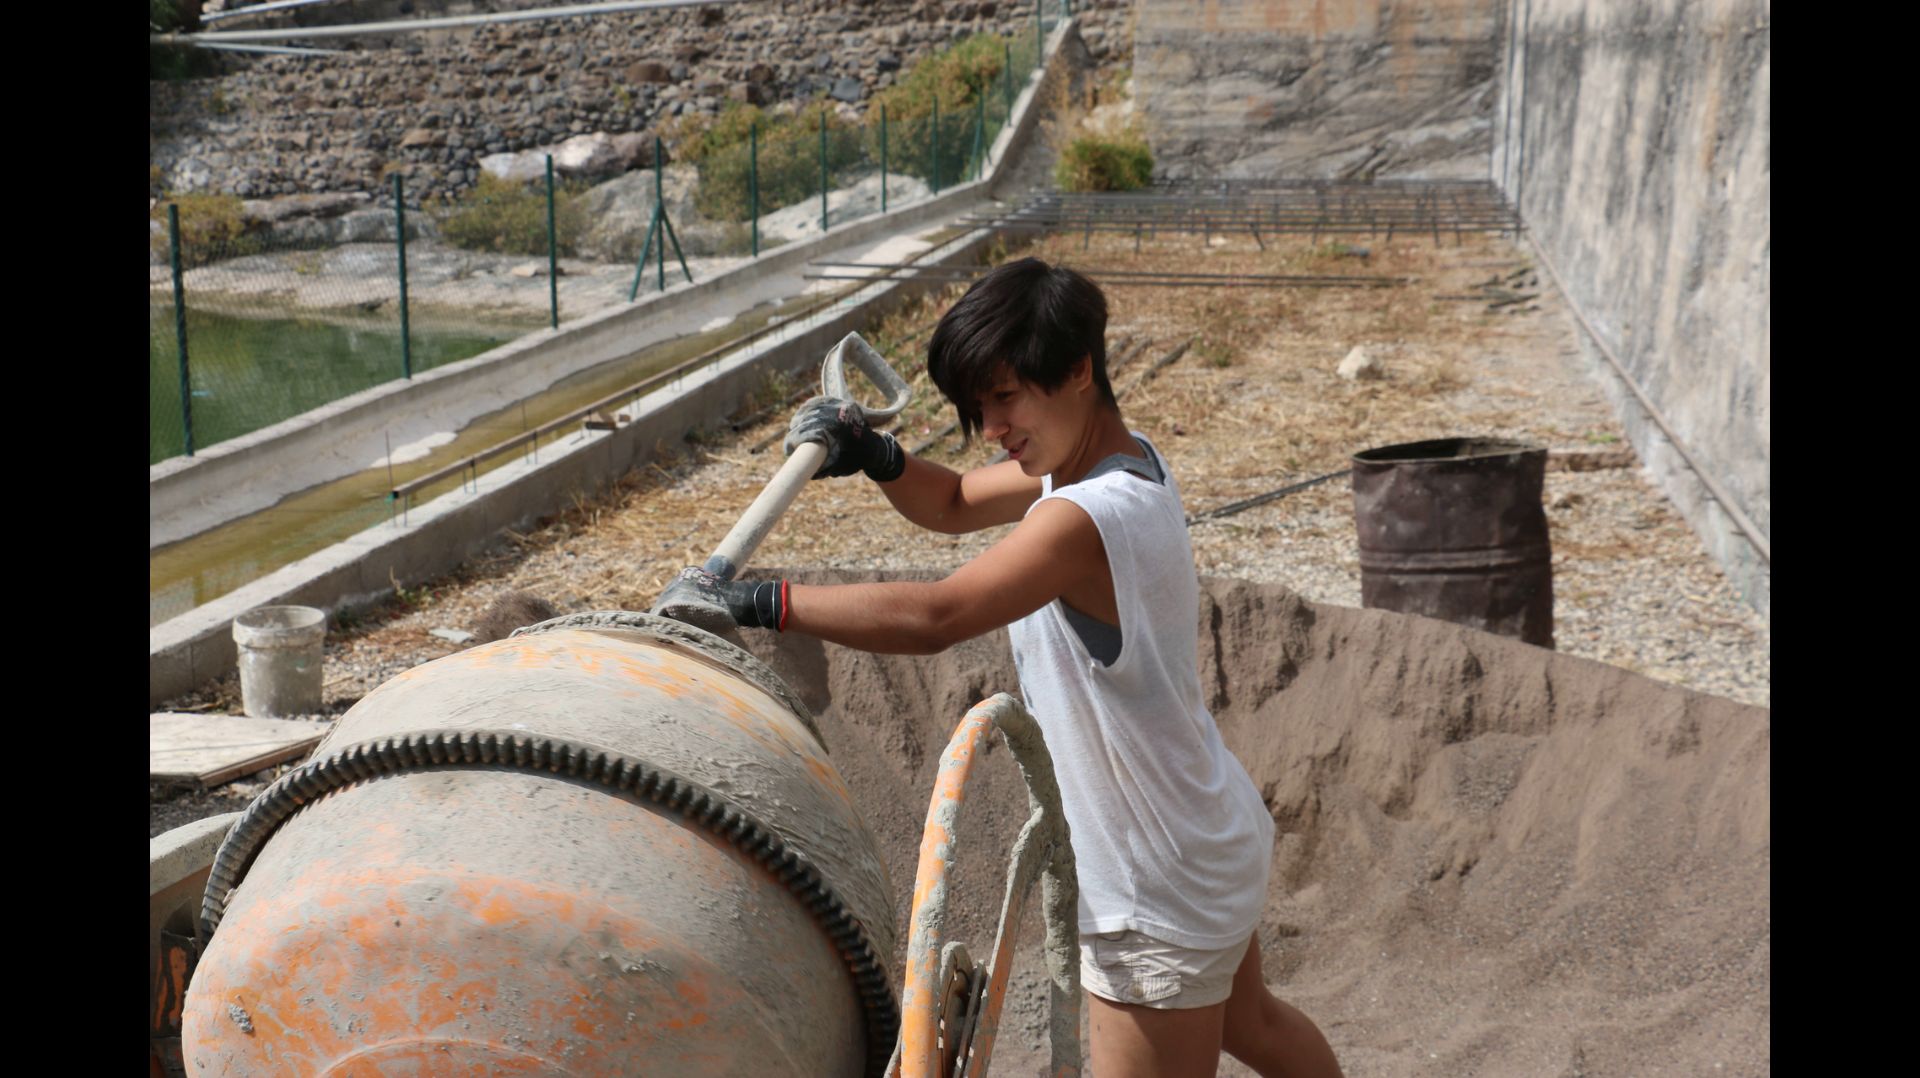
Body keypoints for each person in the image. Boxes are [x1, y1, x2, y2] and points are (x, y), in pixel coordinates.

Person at [659, 257, 1344, 1078]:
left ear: (1080, 370)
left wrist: (756, 602)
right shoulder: (1114, 463)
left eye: (1007, 397)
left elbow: (936, 616)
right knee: (1256, 1027)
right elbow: (948, 504)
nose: (992, 427)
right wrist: (876, 456)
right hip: (1202, 822)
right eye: (980, 407)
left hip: (1150, 875)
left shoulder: (1084, 518)